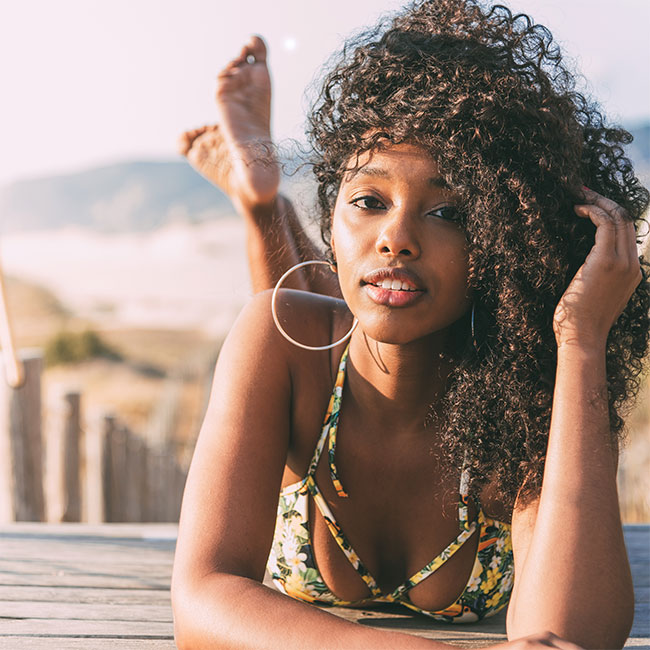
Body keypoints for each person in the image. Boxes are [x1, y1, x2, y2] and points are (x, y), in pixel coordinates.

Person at [172, 1, 650, 648]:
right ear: (333, 216)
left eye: (450, 212)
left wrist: (581, 340)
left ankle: (263, 202)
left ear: (505, 241)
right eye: (368, 201)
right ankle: (262, 205)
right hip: (320, 369)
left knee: (345, 308)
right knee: (304, 317)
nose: (396, 236)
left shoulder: (532, 385)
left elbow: (577, 636)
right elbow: (201, 602)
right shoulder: (274, 336)